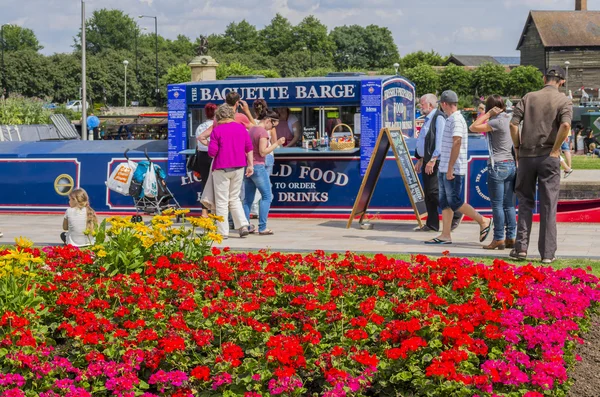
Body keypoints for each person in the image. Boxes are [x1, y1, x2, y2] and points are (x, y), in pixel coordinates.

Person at [509, 66, 573, 263]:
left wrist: (518, 148)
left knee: (525, 202)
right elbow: (565, 125)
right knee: (548, 205)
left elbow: (513, 124)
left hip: (527, 156)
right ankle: (547, 253)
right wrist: (556, 149)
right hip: (548, 156)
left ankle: (521, 248)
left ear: (544, 78)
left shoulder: (528, 97)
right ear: (562, 81)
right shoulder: (564, 100)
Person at [425, 90, 493, 245]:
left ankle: (483, 220)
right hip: (446, 167)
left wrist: (449, 168)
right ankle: (445, 234)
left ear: (443, 104)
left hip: (452, 168)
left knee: (454, 201)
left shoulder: (455, 119)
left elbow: (457, 142)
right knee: (445, 203)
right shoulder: (452, 119)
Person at [469, 95, 517, 250]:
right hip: (510, 164)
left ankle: (498, 238)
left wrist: (488, 114)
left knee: (497, 204)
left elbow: (473, 127)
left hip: (498, 165)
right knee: (509, 204)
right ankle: (512, 236)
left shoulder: (495, 121)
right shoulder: (510, 119)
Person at [414, 93, 463, 232]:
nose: (421, 107)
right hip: (427, 160)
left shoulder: (438, 118)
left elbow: (439, 142)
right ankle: (432, 224)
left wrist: (432, 160)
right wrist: (422, 159)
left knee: (434, 192)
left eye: (422, 104)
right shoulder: (429, 118)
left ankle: (457, 212)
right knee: (429, 194)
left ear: (430, 104)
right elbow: (426, 141)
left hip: (435, 162)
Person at [207, 104, 254, 238]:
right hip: (239, 166)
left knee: (222, 201)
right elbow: (249, 148)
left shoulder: (217, 130)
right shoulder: (241, 128)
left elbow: (212, 152)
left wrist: (209, 145)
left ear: (219, 116)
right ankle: (243, 225)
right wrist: (250, 165)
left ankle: (223, 232)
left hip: (221, 167)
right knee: (235, 198)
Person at [243, 109, 286, 235]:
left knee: (248, 200)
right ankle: (262, 227)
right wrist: (277, 143)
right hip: (258, 167)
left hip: (248, 166)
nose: (272, 128)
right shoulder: (262, 132)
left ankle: (246, 226)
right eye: (273, 125)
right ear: (268, 120)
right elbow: (263, 152)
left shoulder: (252, 130)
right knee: (267, 196)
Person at [195, 103, 218, 217]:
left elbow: (197, 143)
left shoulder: (200, 127)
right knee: (217, 183)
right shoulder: (216, 126)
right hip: (213, 155)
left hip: (202, 156)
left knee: (205, 183)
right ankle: (215, 211)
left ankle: (204, 212)